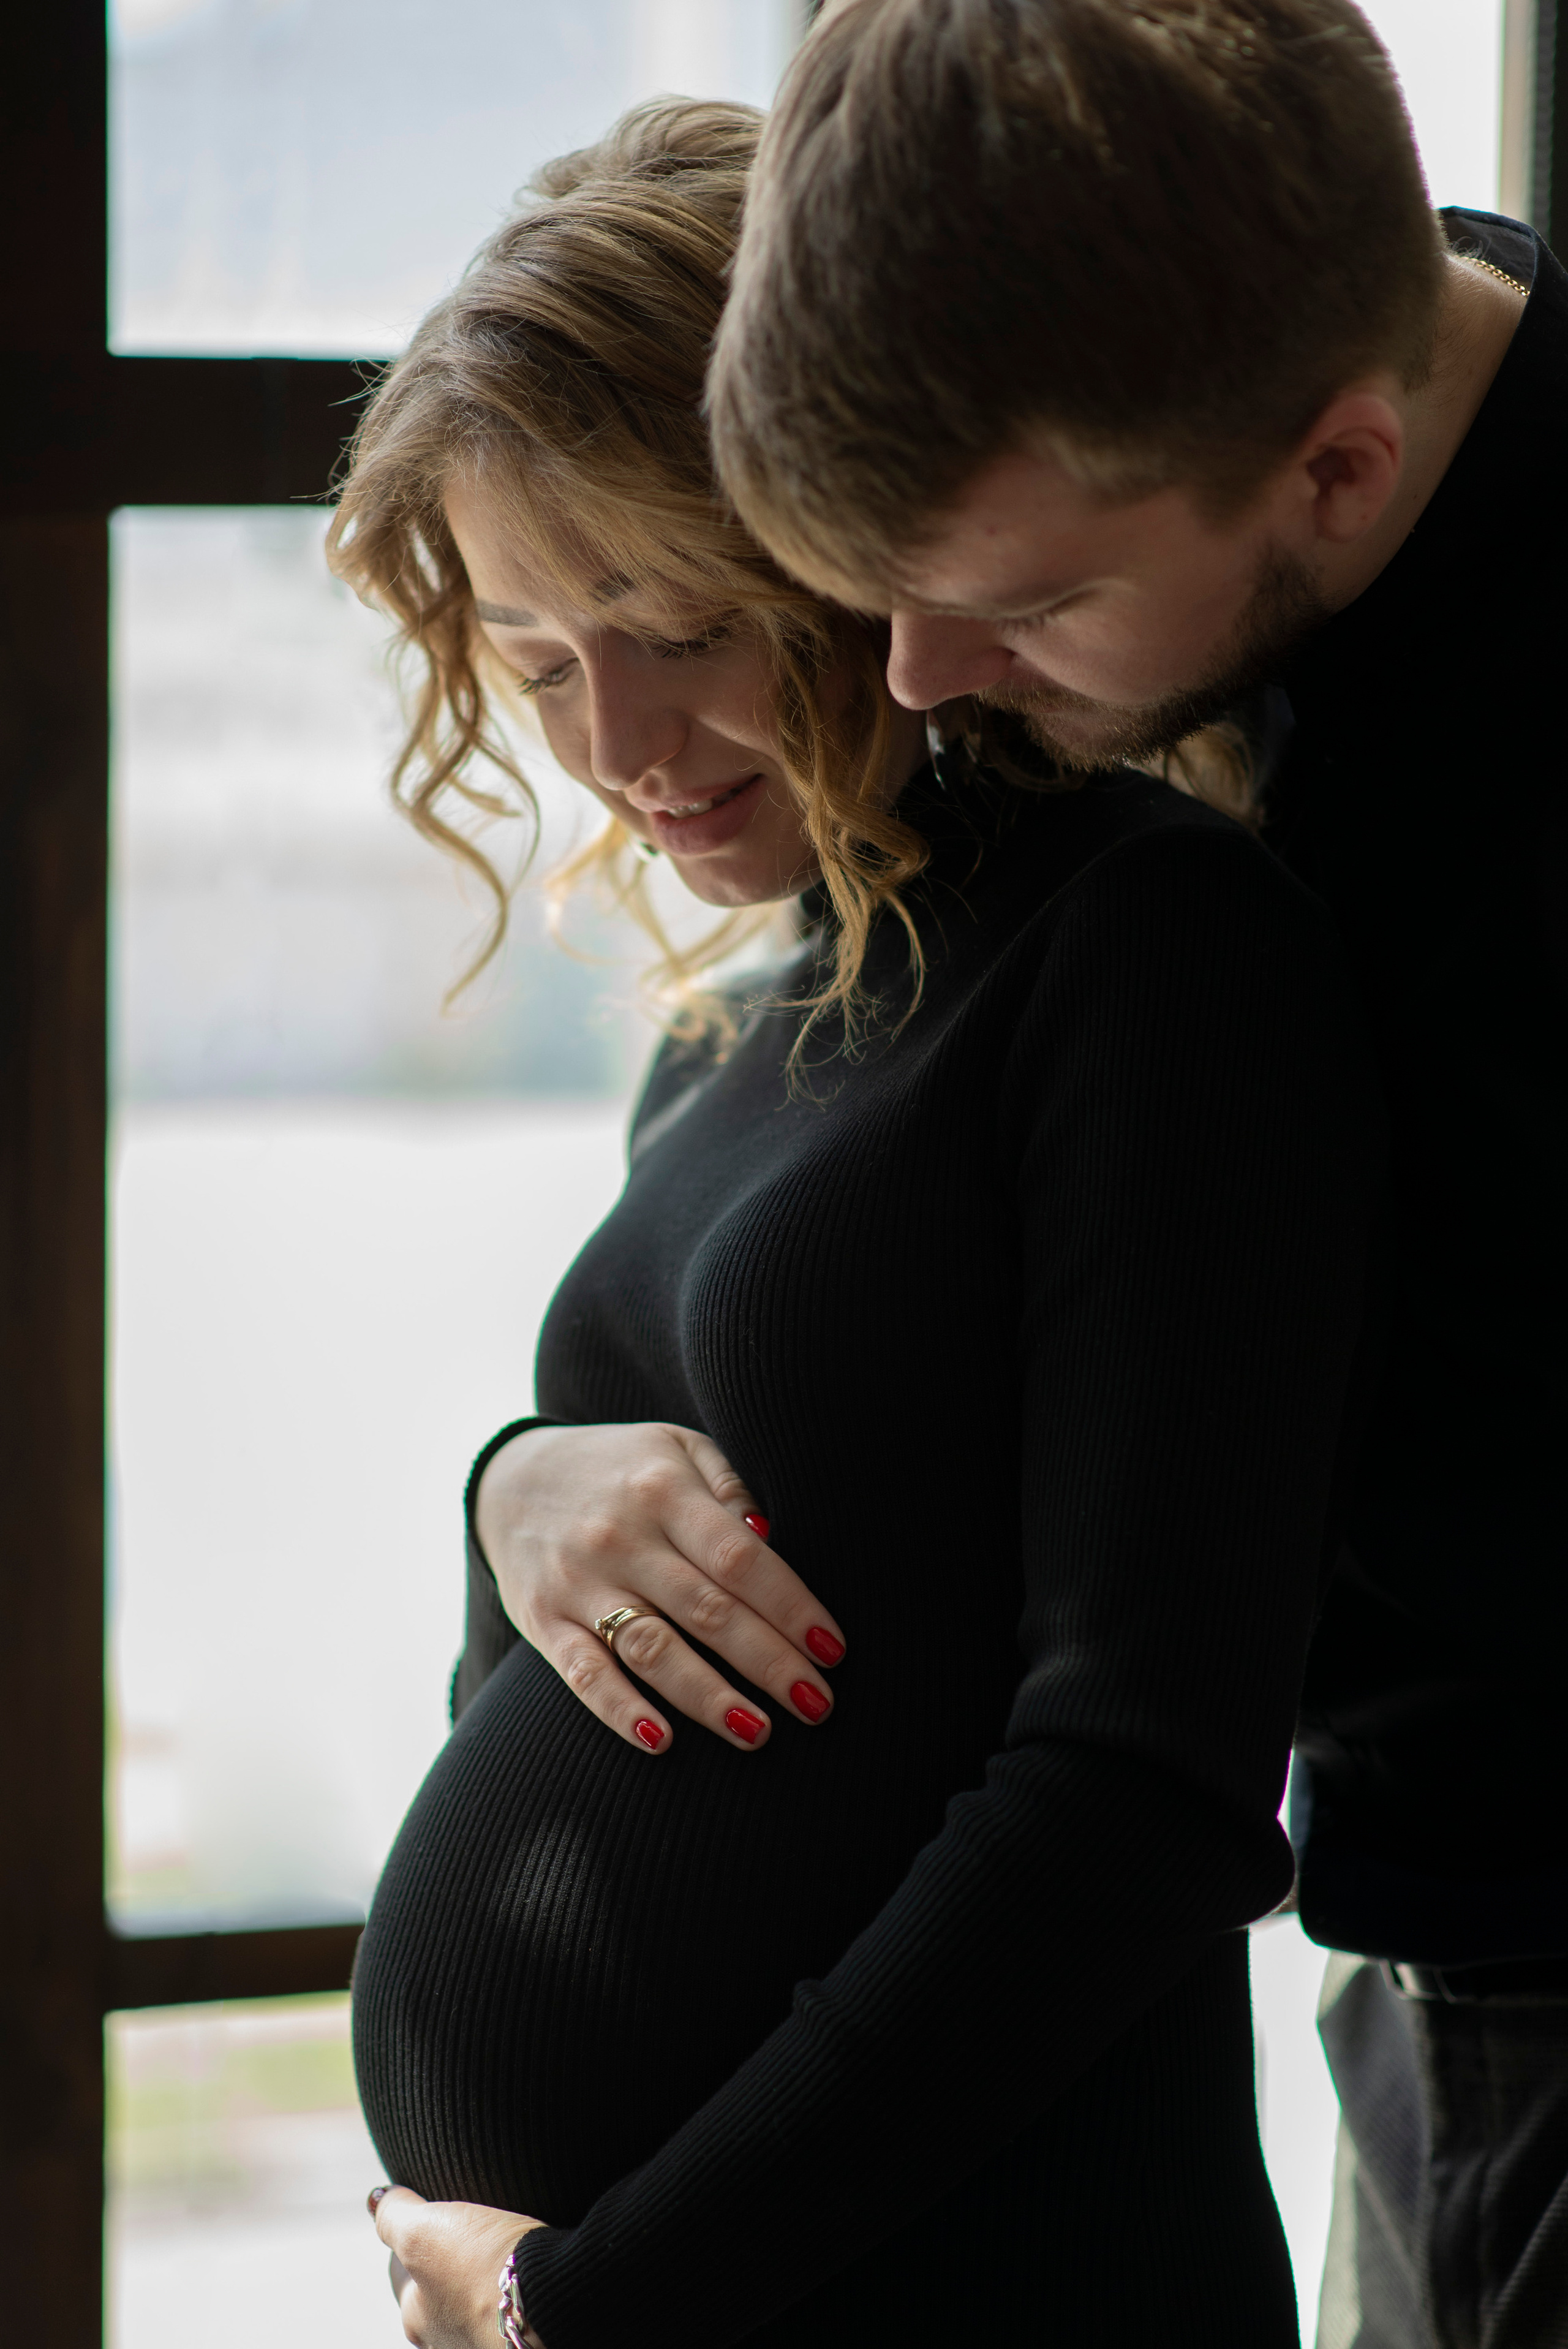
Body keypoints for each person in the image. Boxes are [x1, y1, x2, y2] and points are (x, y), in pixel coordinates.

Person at [332, 96, 1381, 2349]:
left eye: (679, 621)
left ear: (855, 534)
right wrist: (511, 1499)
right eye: (536, 660)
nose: (616, 738)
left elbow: (1141, 1792)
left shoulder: (1148, 949)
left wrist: (591, 2303)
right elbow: (620, 1673)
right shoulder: (728, 1031)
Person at [705, 2, 1568, 2342]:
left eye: (1025, 603)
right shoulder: (1253, 391)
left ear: (1343, 471)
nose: (915, 676)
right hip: (1408, 1947)